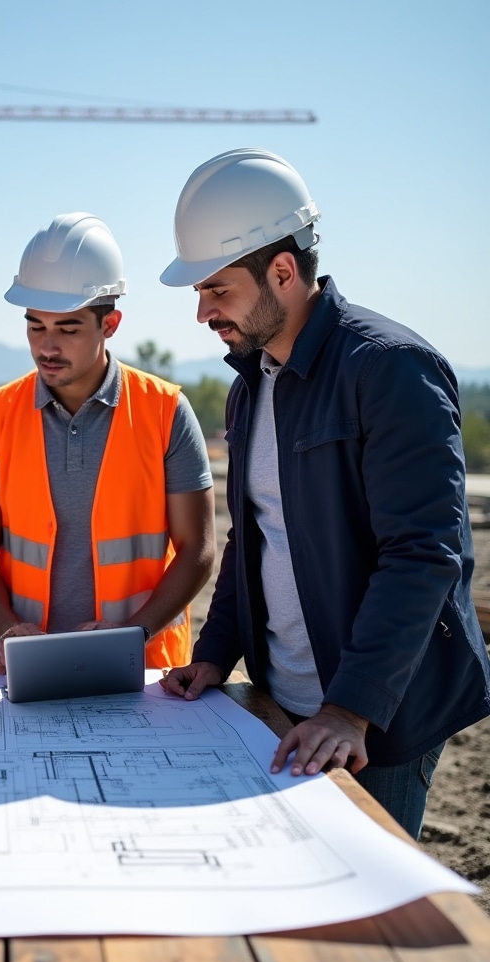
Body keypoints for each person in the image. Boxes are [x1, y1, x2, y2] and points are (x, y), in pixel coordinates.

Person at [157, 148, 490, 838]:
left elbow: (425, 556)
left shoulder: (392, 369)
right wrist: (215, 655)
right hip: (283, 705)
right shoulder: (254, 384)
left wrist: (350, 709)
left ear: (281, 271)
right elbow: (253, 538)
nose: (201, 313)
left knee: (363, 922)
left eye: (216, 289)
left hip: (377, 724)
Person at [0, 212, 216, 672]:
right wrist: (7, 631)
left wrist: (133, 635)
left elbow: (198, 548)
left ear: (110, 324)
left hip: (145, 670)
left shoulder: (166, 411)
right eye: (35, 326)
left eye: (68, 328)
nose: (47, 347)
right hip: (19, 671)